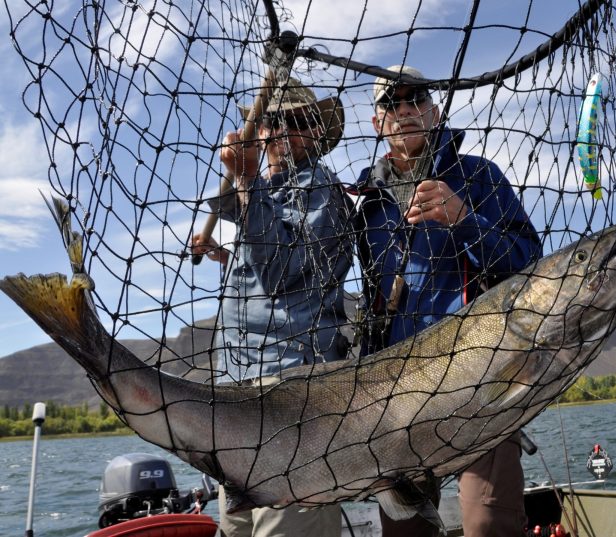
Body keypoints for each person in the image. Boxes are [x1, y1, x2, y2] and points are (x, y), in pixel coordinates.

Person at [350, 65, 542, 537]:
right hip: (397, 396)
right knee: (405, 531)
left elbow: (529, 263)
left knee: (488, 523)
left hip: (482, 378)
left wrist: (462, 218)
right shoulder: (364, 201)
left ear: (434, 111)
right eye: (391, 103)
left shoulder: (480, 176)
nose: (405, 111)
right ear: (377, 123)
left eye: (416, 99)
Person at [191, 78, 352, 537]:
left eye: (296, 121)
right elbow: (266, 277)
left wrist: (244, 179)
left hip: (292, 408)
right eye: (271, 119)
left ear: (316, 135)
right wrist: (229, 251)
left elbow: (282, 272)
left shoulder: (323, 190)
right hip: (238, 400)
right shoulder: (261, 194)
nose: (280, 130)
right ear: (258, 130)